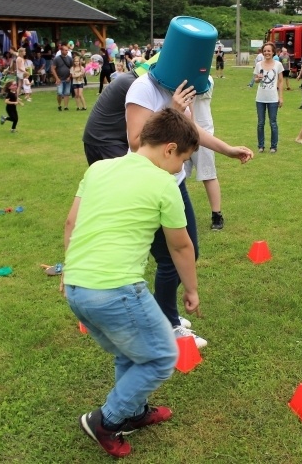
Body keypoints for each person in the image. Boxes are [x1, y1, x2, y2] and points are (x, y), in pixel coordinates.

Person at [65, 108, 201, 458]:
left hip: (77, 288)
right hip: (116, 290)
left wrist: (69, 273)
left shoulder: (98, 168)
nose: (180, 169)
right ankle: (107, 420)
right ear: (169, 149)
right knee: (162, 357)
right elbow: (180, 246)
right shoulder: (164, 184)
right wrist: (191, 289)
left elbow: (71, 224)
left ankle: (134, 412)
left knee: (130, 350)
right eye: (182, 161)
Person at [125, 71, 253, 349]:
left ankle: (162, 313)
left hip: (172, 183)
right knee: (171, 257)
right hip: (149, 186)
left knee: (188, 251)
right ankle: (167, 324)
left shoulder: (183, 86)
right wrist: (172, 109)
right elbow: (136, 141)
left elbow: (189, 131)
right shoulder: (143, 88)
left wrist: (227, 150)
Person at [187, 76, 225, 230]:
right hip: (179, 131)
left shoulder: (206, 78)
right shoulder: (177, 75)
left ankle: (217, 215)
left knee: (208, 174)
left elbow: (201, 91)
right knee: (175, 177)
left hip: (203, 134)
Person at [254, 42, 284, 154]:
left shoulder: (278, 64)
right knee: (260, 123)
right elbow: (255, 80)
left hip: (273, 98)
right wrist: (258, 79)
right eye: (265, 51)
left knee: (273, 123)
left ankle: (273, 146)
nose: (267, 53)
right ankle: (261, 146)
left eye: (269, 51)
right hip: (260, 98)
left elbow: (280, 81)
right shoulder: (259, 65)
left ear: (273, 52)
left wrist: (281, 97)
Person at [53, 44, 73, 111]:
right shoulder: (57, 59)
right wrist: (57, 78)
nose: (67, 51)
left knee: (67, 93)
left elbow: (72, 69)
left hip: (67, 78)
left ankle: (66, 106)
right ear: (61, 50)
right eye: (65, 50)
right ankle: (59, 105)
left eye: (67, 50)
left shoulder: (70, 58)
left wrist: (69, 77)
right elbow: (53, 69)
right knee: (59, 93)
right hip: (59, 79)